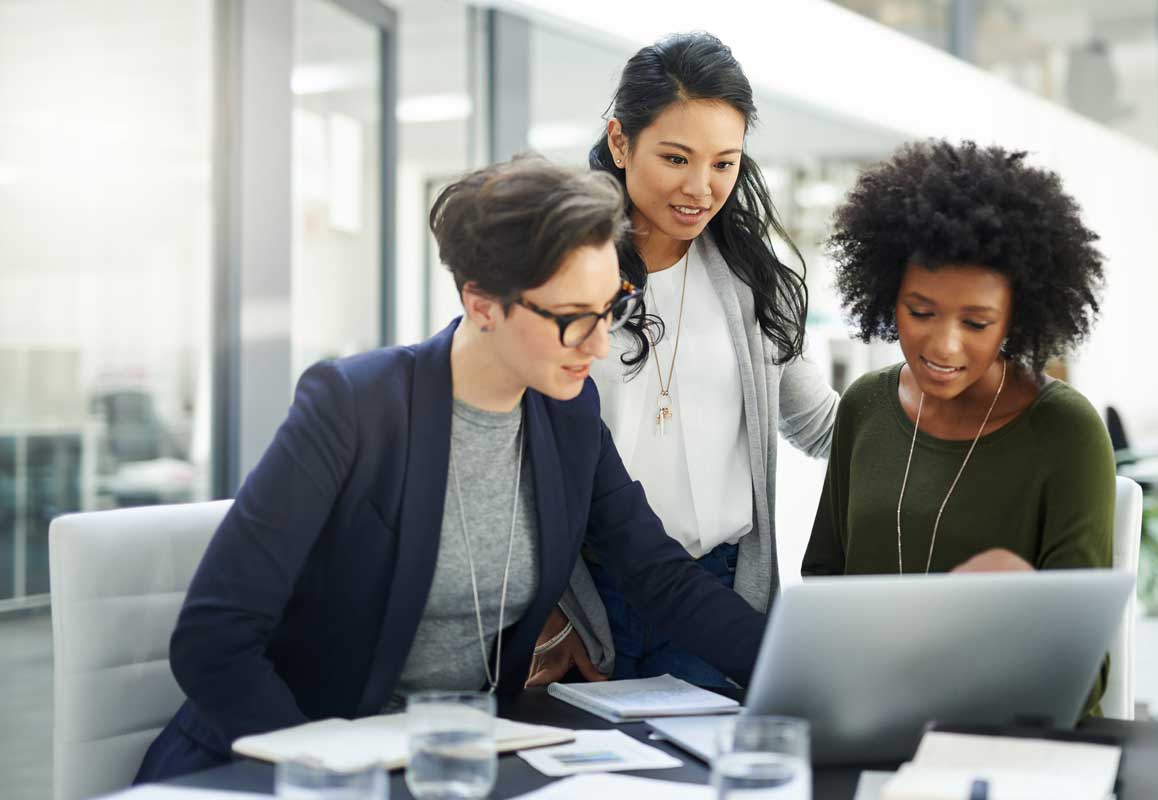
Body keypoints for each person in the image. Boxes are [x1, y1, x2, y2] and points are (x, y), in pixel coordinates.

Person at [134, 157, 767, 782]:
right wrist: (332, 776)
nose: (600, 345)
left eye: (611, 310)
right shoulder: (354, 407)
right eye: (574, 319)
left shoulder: (566, 417)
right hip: (291, 765)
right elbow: (213, 640)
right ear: (483, 302)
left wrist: (795, 665)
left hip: (454, 763)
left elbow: (658, 576)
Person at [526, 32, 837, 690]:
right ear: (619, 142)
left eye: (724, 163)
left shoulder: (754, 282)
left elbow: (819, 423)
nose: (701, 187)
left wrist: (948, 405)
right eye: (676, 157)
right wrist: (551, 612)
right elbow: (512, 452)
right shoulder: (559, 275)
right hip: (587, 601)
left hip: (718, 595)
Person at [802, 139, 1113, 716]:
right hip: (869, 717)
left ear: (1016, 319)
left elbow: (1083, 670)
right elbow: (823, 583)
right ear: (886, 295)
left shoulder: (1067, 433)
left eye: (976, 322)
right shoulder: (865, 406)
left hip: (1009, 736)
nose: (943, 345)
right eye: (920, 312)